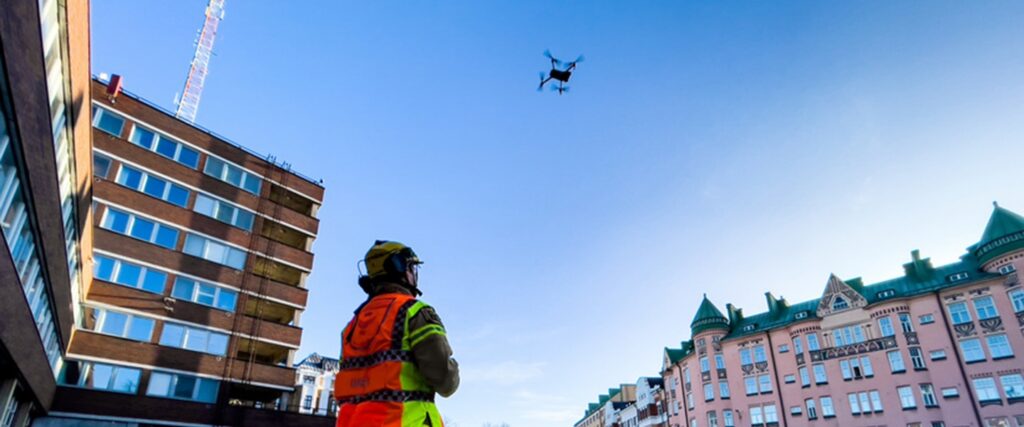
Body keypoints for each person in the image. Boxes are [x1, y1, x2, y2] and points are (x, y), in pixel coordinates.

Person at [335, 240, 459, 427]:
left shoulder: (352, 326)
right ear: (398, 268)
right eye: (411, 268)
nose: (414, 274)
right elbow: (445, 381)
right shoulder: (415, 312)